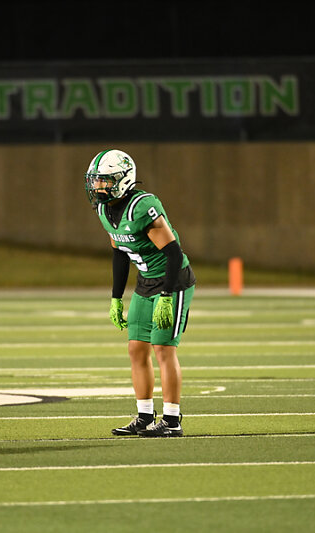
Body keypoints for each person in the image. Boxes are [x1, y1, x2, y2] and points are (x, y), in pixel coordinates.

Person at [85, 149, 196, 438]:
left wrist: (168, 295)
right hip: (146, 281)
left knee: (163, 348)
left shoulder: (142, 206)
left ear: (123, 179)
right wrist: (115, 297)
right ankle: (145, 415)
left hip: (173, 280)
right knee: (136, 348)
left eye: (104, 181)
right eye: (96, 181)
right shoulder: (105, 210)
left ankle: (172, 420)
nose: (98, 187)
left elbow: (173, 253)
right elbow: (119, 254)